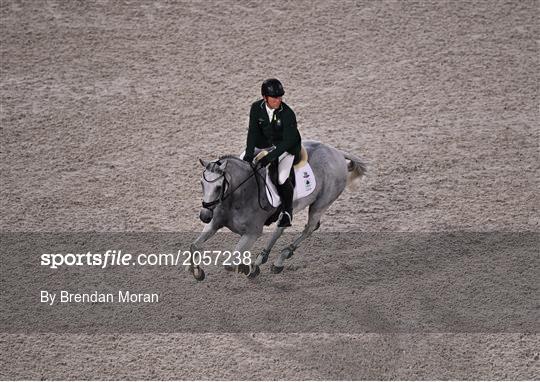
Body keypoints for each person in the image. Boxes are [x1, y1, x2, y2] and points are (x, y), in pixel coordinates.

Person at [244, 78, 302, 227]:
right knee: (241, 164)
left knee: (281, 178)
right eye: (275, 97)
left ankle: (287, 212)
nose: (278, 100)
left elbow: (287, 142)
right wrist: (249, 154)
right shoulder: (256, 108)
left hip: (287, 148)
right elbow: (253, 132)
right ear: (265, 97)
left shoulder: (288, 113)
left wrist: (269, 158)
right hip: (267, 145)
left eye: (280, 97)